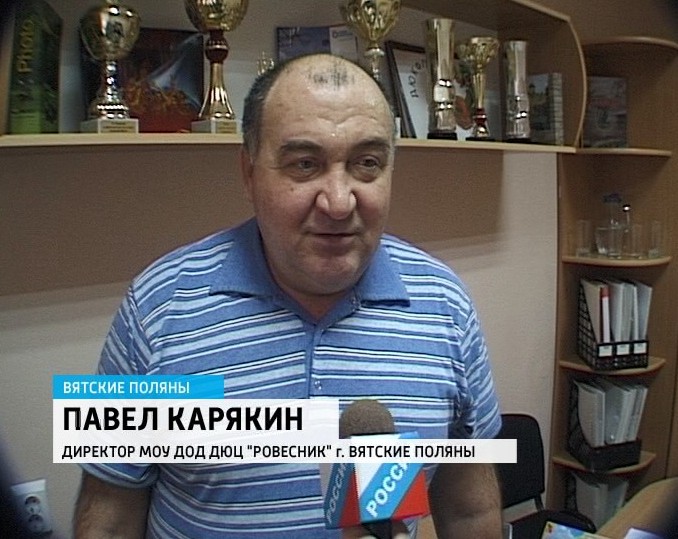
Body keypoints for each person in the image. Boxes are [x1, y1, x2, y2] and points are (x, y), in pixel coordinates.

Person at [73, 53, 503, 538]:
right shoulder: (156, 308)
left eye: (367, 163)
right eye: (304, 164)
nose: (338, 203)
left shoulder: (445, 305)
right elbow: (108, 519)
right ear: (249, 172)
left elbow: (469, 512)